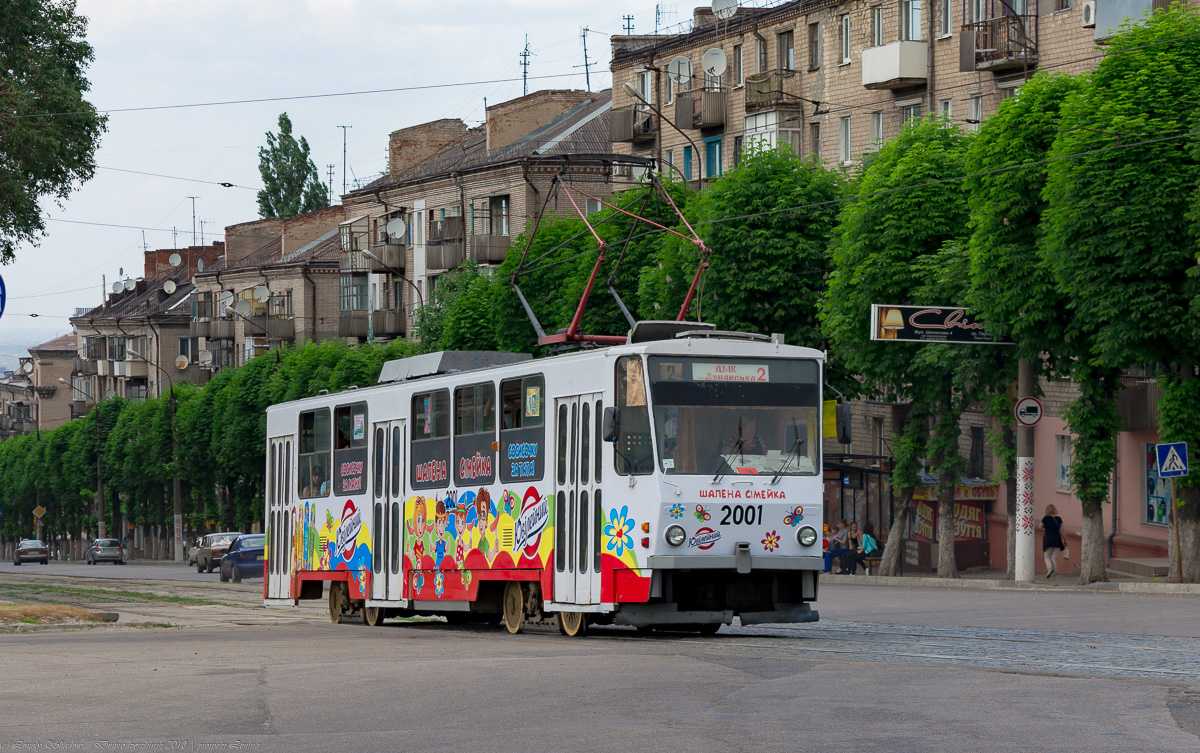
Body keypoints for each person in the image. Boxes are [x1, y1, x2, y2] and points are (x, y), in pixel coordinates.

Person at [1042, 503, 1065, 579]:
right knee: (1054, 557)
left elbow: (1039, 526)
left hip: (1048, 538)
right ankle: (1053, 574)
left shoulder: (1045, 518)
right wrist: (1065, 540)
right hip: (1057, 539)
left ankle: (1050, 569)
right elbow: (1062, 531)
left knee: (1047, 556)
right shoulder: (1059, 519)